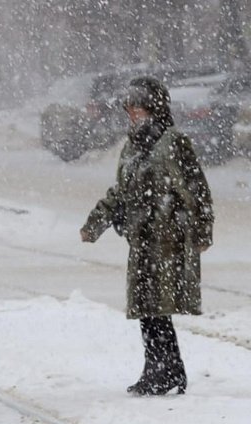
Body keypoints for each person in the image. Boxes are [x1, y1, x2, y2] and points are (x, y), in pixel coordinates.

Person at [80, 76, 213, 396]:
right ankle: (164, 368)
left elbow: (196, 189)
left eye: (137, 107)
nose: (132, 114)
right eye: (129, 108)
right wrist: (96, 222)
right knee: (147, 308)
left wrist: (201, 230)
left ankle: (164, 370)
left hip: (168, 237)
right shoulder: (131, 146)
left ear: (153, 107)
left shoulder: (173, 142)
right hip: (141, 238)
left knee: (157, 306)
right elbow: (122, 191)